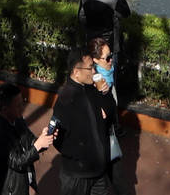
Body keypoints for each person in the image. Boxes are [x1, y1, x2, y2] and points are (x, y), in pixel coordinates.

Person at [50, 44, 121, 195]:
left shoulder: (93, 89)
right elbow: (57, 138)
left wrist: (105, 93)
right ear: (76, 72)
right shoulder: (65, 100)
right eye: (90, 68)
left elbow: (110, 113)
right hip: (77, 176)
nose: (94, 71)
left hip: (98, 173)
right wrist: (81, 157)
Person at [0, 79, 57, 195]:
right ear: (5, 109)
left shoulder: (18, 120)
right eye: (18, 105)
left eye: (22, 102)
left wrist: (44, 139)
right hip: (10, 190)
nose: (22, 108)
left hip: (23, 184)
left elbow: (31, 141)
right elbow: (17, 162)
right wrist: (37, 146)